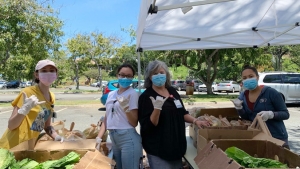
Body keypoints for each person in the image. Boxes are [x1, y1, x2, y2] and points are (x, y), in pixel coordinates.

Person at [138, 60, 210, 169]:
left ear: (166, 74)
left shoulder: (172, 91)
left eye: (161, 72)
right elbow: (149, 125)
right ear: (150, 77)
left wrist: (196, 121)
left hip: (176, 147)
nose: (159, 75)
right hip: (158, 150)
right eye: (155, 73)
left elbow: (182, 113)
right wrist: (157, 108)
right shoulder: (146, 97)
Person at [0, 59, 62, 149]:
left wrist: (56, 136)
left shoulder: (51, 97)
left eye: (52, 71)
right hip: (10, 147)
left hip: (28, 148)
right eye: (44, 71)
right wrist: (24, 110)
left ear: (56, 75)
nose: (48, 73)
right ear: (36, 74)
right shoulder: (27, 92)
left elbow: (47, 125)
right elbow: (11, 125)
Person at [96, 63, 142, 169]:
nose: (125, 78)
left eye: (129, 76)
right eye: (122, 75)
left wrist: (126, 108)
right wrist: (99, 137)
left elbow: (134, 122)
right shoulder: (112, 94)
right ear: (117, 75)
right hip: (114, 138)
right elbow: (107, 116)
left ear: (132, 78)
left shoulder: (132, 94)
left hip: (127, 138)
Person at [231, 65, 290, 148]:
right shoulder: (243, 96)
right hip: (257, 136)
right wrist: (239, 109)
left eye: (251, 76)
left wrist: (271, 114)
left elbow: (285, 114)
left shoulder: (271, 93)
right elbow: (247, 117)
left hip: (276, 137)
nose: (248, 79)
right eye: (244, 78)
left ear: (257, 77)